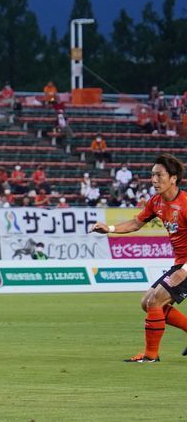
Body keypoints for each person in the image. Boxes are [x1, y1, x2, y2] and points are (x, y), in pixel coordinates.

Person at [91, 154, 187, 363]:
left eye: (159, 175)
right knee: (147, 303)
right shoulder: (156, 202)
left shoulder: (186, 203)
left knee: (155, 301)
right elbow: (136, 223)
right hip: (180, 263)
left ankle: (150, 356)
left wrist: (185, 269)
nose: (154, 180)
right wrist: (110, 228)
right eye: (152, 175)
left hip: (186, 266)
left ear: (173, 178)